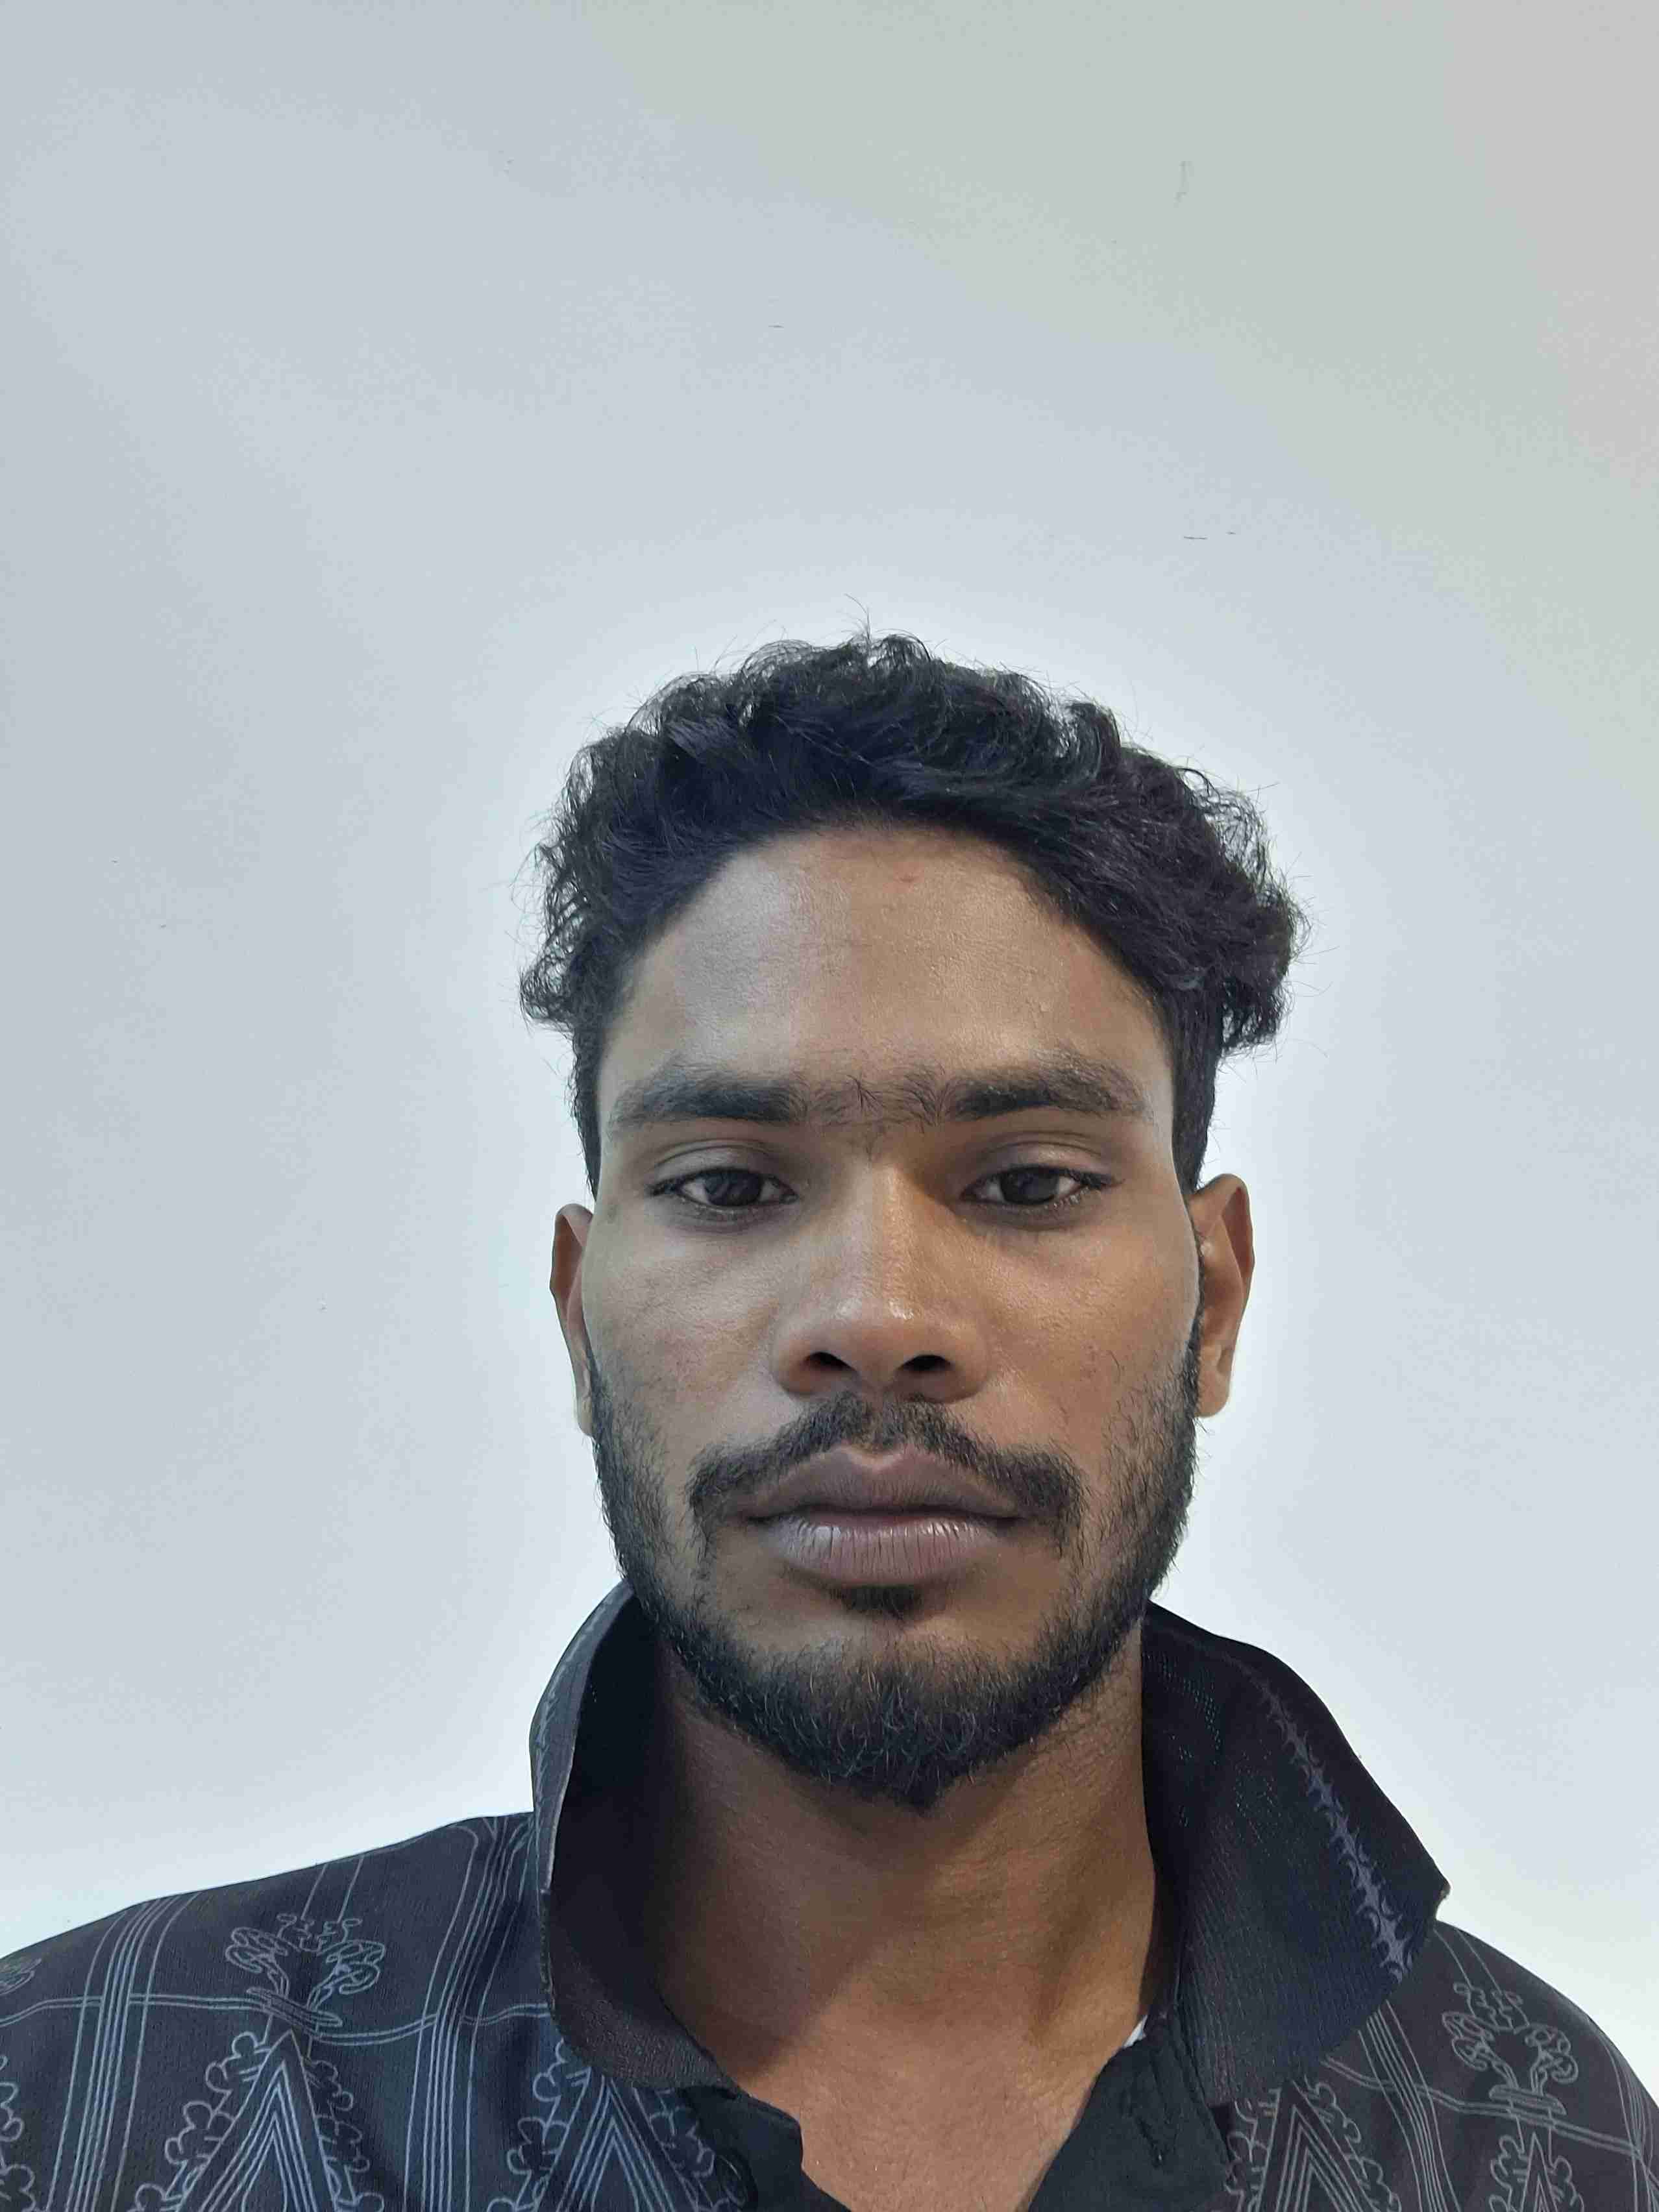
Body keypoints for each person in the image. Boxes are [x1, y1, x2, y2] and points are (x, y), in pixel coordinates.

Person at [3, 628, 1651, 2212]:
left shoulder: (1545, 2143)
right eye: (729, 1186)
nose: (876, 1316)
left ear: (1212, 1298)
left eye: (1028, 1183)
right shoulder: (83, 2110)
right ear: (580, 1315)